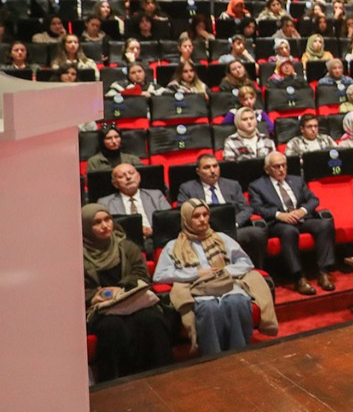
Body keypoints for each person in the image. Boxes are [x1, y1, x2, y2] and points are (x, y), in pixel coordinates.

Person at [154, 199, 275, 355]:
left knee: (237, 301)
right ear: (186, 219)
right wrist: (196, 274)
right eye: (196, 216)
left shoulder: (222, 238)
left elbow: (245, 262)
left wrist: (224, 271)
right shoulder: (173, 245)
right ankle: (214, 357)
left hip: (226, 284)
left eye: (205, 215)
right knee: (208, 307)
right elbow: (159, 276)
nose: (203, 219)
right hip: (197, 288)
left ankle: (239, 353)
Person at [81, 203, 172, 382]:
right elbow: (77, 288)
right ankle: (118, 385)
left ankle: (162, 377)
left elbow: (141, 275)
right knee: (113, 328)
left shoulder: (127, 246)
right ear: (85, 227)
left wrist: (120, 288)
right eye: (97, 222)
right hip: (102, 308)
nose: (105, 225)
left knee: (152, 320)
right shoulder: (78, 255)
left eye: (108, 219)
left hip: (132, 300)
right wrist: (94, 295)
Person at [248, 152, 337, 294]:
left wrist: (302, 210)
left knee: (325, 224)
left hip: (301, 219)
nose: (281, 169)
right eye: (277, 166)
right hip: (278, 223)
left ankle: (323, 272)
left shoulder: (297, 180)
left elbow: (313, 200)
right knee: (289, 231)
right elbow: (256, 208)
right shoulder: (257, 186)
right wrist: (279, 215)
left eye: (284, 165)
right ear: (267, 169)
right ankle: (299, 277)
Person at [175, 154, 269, 268]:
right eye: (207, 167)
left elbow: (246, 208)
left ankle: (257, 269)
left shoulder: (232, 185)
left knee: (257, 232)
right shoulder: (187, 188)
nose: (212, 171)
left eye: (215, 166)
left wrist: (235, 223)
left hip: (233, 230)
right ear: (198, 171)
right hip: (204, 233)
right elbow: (183, 212)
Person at [96, 163, 168, 243]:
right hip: (125, 244)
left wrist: (152, 231)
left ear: (138, 177)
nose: (128, 177)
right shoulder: (105, 203)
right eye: (121, 176)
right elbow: (107, 229)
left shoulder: (155, 195)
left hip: (157, 240)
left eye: (131, 173)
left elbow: (169, 221)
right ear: (115, 184)